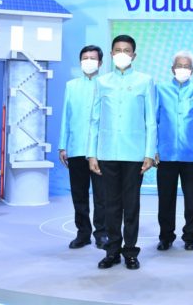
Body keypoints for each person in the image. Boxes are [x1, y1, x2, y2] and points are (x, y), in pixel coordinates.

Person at [88, 34, 156, 270]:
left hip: (134, 154)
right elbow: (94, 120)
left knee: (131, 205)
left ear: (134, 55)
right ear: (111, 54)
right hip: (107, 152)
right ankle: (112, 251)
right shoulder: (102, 82)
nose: (122, 54)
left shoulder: (145, 81)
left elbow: (150, 120)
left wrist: (149, 153)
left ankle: (130, 251)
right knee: (110, 205)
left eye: (126, 50)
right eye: (117, 50)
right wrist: (91, 154)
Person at [155, 50, 193, 251]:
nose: (182, 69)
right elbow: (154, 121)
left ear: (192, 70)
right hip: (165, 154)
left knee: (192, 200)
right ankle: (166, 236)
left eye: (186, 66)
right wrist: (153, 149)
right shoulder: (160, 89)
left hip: (192, 155)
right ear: (172, 68)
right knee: (165, 200)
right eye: (179, 65)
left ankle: (190, 236)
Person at [58, 45, 107, 250]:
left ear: (100, 63)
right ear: (80, 62)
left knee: (102, 195)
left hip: (100, 149)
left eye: (92, 58)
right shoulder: (71, 86)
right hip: (76, 147)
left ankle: (102, 233)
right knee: (79, 194)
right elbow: (66, 116)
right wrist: (62, 145)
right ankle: (83, 233)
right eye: (85, 58)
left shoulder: (106, 84)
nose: (88, 61)